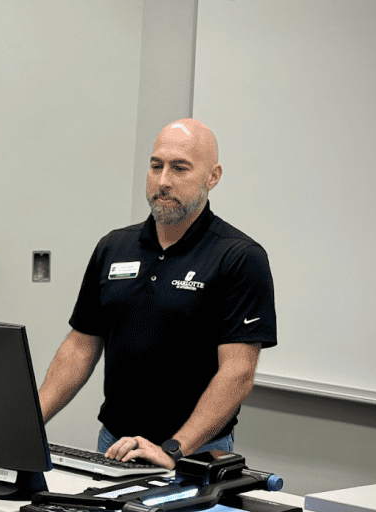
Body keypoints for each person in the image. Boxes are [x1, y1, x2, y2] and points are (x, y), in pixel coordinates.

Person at [38, 118, 276, 469]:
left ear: (213, 176)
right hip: (115, 445)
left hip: (195, 453)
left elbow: (238, 372)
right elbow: (80, 346)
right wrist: (29, 422)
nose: (163, 181)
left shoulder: (239, 257)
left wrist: (172, 450)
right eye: (156, 166)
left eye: (179, 168)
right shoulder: (114, 246)